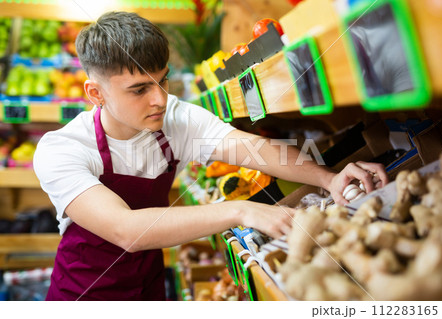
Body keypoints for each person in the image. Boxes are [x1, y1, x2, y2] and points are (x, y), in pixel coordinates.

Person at [33, 11, 388, 301]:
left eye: (162, 81)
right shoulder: (63, 148)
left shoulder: (172, 117)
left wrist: (328, 177)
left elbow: (250, 149)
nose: (158, 99)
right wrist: (241, 209)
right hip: (84, 296)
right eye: (139, 89)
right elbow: (127, 230)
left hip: (151, 289)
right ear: (96, 93)